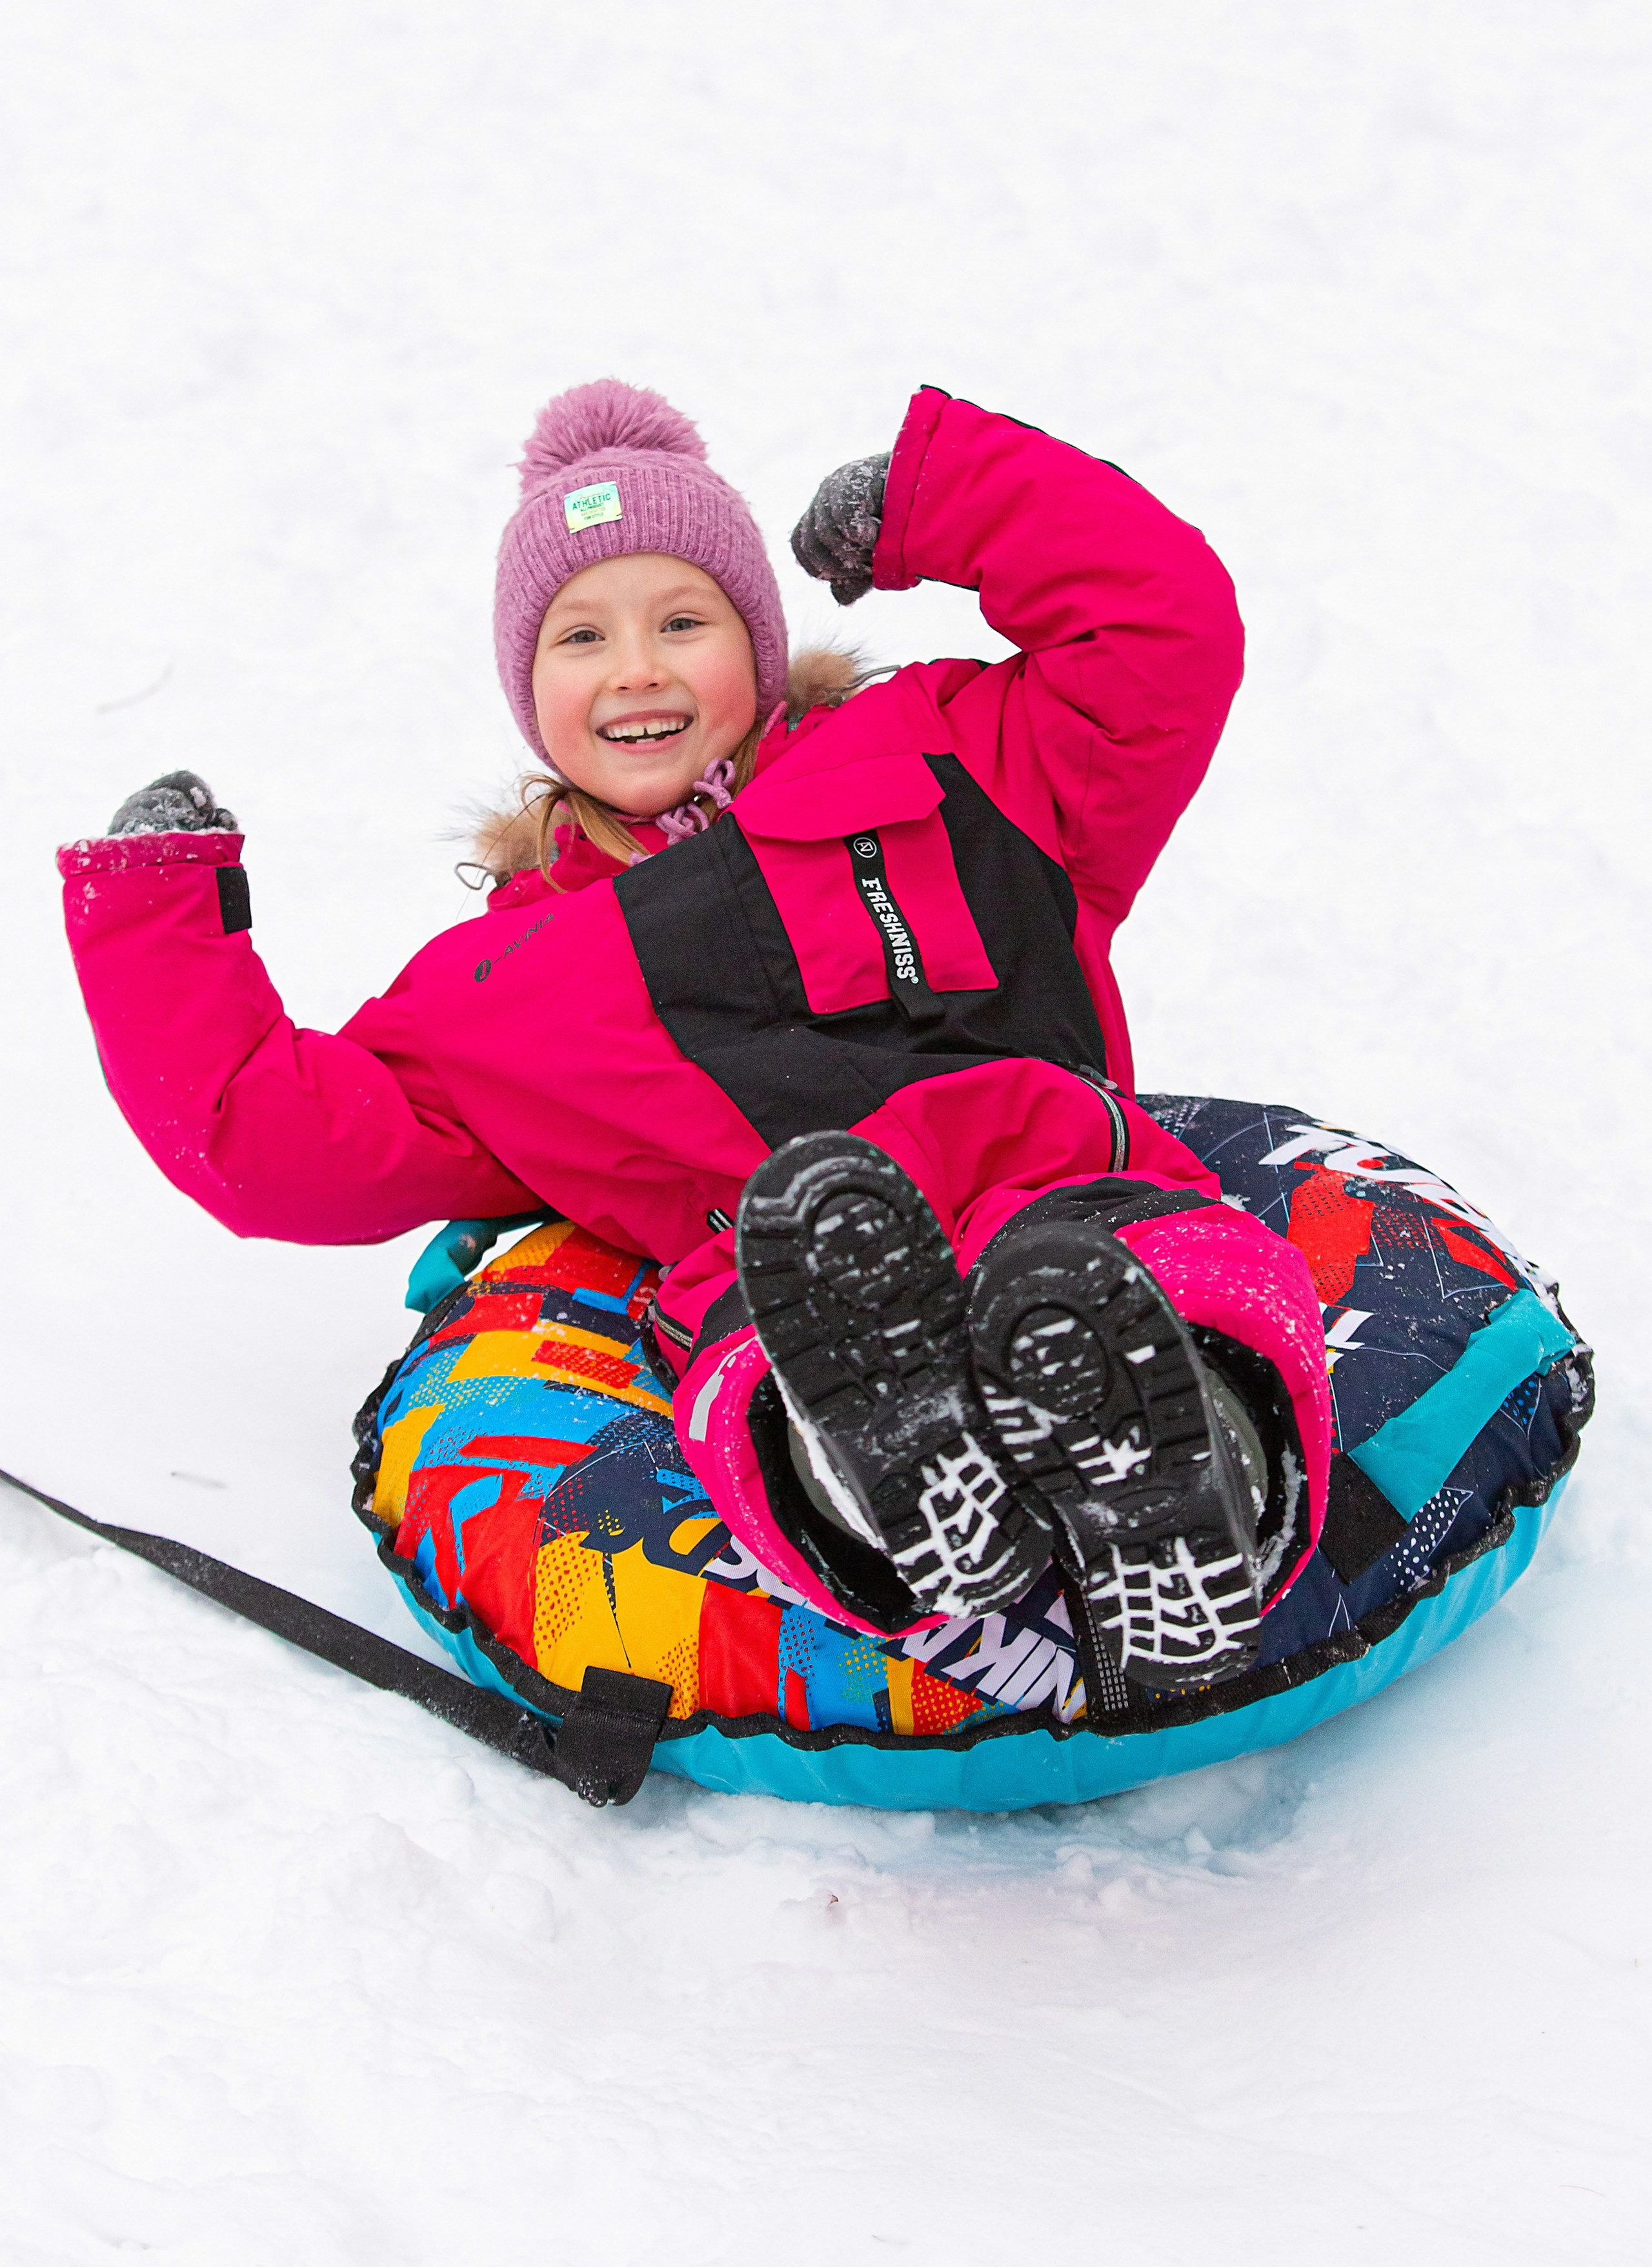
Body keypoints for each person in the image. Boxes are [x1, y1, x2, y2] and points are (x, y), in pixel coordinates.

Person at [59, 379, 1331, 1702]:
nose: (638, 669)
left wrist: (944, 502)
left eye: (683, 620)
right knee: (766, 1339)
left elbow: (1159, 627)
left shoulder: (957, 756)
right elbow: (274, 1143)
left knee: (1130, 1262)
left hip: (1050, 1190)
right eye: (580, 637)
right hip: (793, 1278)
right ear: (526, 689)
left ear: (760, 641)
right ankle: (877, 1476)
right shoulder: (487, 992)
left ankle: (1194, 1476)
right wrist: (158, 915)